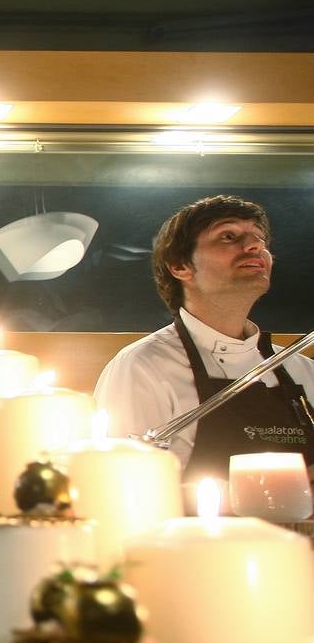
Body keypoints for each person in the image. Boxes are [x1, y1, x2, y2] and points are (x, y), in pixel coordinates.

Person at [94, 195, 314, 483]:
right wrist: (277, 488)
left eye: (260, 239)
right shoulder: (143, 367)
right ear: (180, 266)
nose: (255, 245)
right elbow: (125, 488)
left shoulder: (304, 370)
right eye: (228, 236)